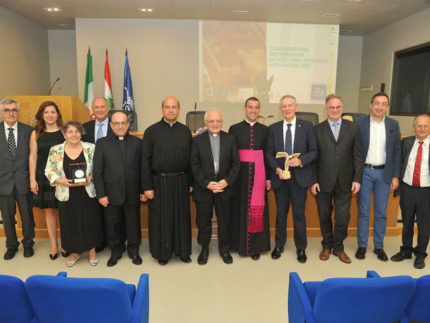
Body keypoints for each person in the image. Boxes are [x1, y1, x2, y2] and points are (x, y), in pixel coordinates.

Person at [311, 94, 364, 264]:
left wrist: (357, 179)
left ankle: (338, 247)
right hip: (323, 181)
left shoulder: (353, 128)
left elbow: (358, 155)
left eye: (338, 107)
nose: (335, 110)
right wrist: (313, 180)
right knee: (324, 215)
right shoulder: (317, 129)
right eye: (331, 107)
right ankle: (327, 245)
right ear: (326, 109)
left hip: (346, 181)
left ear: (342, 108)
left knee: (342, 217)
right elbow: (313, 157)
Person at [266, 95, 318, 263]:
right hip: (280, 178)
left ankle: (301, 248)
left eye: (290, 105)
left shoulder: (308, 127)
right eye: (284, 106)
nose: (287, 109)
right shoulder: (273, 128)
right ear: (280, 109)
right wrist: (277, 169)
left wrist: (302, 161)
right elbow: (269, 153)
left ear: (295, 107)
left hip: (300, 178)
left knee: (299, 215)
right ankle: (279, 245)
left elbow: (314, 151)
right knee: (280, 214)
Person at [142, 96, 193, 265]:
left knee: (181, 217)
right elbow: (145, 161)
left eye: (174, 107)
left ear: (179, 109)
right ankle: (162, 253)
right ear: (162, 109)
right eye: (167, 107)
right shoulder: (151, 131)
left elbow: (191, 160)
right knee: (160, 218)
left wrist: (190, 182)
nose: (171, 110)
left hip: (180, 181)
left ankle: (183, 251)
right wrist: (147, 186)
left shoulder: (185, 131)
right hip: (159, 182)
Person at [45, 121, 103, 267]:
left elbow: (99, 167)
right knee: (69, 223)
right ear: (64, 134)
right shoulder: (55, 150)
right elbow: (48, 170)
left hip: (87, 191)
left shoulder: (91, 148)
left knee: (90, 221)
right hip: (65, 192)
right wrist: (60, 181)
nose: (74, 134)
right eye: (70, 132)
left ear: (81, 133)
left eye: (77, 131)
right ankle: (74, 252)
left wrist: (92, 177)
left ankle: (92, 251)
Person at [93, 111, 145, 266]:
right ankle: (115, 250)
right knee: (112, 223)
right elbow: (98, 170)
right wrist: (101, 194)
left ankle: (134, 250)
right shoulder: (102, 143)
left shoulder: (138, 143)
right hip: (111, 192)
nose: (120, 126)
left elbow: (142, 169)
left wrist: (142, 190)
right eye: (116, 123)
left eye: (123, 123)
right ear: (111, 125)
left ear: (128, 125)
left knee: (133, 222)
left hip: (132, 191)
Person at [355, 93, 401, 261]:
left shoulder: (393, 124)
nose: (379, 107)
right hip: (364, 172)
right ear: (370, 105)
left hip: (385, 174)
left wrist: (396, 176)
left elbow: (397, 152)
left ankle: (379, 247)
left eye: (383, 104)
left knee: (381, 212)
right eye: (376, 103)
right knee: (364, 211)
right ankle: (362, 246)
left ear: (387, 106)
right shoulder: (359, 123)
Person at [191, 109, 240, 265]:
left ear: (222, 122)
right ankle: (204, 249)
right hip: (204, 188)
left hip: (224, 187)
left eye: (218, 121)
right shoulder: (197, 141)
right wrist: (206, 183)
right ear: (205, 123)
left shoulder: (230, 139)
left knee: (224, 221)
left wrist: (226, 181)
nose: (215, 124)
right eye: (211, 121)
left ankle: (224, 250)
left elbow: (236, 164)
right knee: (203, 221)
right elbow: (194, 165)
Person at [229, 97, 271, 260]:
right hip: (240, 176)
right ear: (244, 109)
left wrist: (267, 178)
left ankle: (255, 247)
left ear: (259, 110)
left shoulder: (265, 130)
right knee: (239, 209)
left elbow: (267, 154)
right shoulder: (234, 128)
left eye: (256, 108)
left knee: (257, 212)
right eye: (250, 107)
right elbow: (231, 155)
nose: (253, 110)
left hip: (259, 176)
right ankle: (238, 244)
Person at [391, 114, 430, 269]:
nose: (421, 128)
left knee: (424, 224)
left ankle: (420, 254)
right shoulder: (406, 142)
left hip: (426, 191)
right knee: (406, 222)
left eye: (425, 125)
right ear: (414, 127)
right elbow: (399, 162)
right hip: (407, 189)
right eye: (418, 125)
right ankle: (406, 250)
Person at [29, 101, 67, 260]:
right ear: (41, 115)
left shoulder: (65, 131)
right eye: (46, 112)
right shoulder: (36, 133)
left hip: (63, 177)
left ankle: (66, 243)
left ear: (57, 114)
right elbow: (33, 156)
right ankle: (53, 244)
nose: (50, 115)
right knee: (50, 212)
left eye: (53, 112)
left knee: (65, 212)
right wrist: (32, 179)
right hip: (44, 177)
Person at [0, 98, 35, 260]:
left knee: (27, 216)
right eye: (7, 110)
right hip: (3, 182)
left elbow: (33, 155)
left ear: (18, 112)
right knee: (7, 218)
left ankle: (28, 244)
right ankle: (11, 246)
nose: (11, 113)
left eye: (14, 110)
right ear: (1, 113)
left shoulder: (29, 130)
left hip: (23, 180)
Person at [82, 97, 114, 253]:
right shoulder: (84, 128)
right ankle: (99, 241)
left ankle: (113, 240)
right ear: (92, 110)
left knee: (111, 210)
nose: (100, 109)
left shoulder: (115, 126)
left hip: (111, 176)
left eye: (103, 106)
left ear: (108, 108)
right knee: (94, 210)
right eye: (97, 107)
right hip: (89, 177)